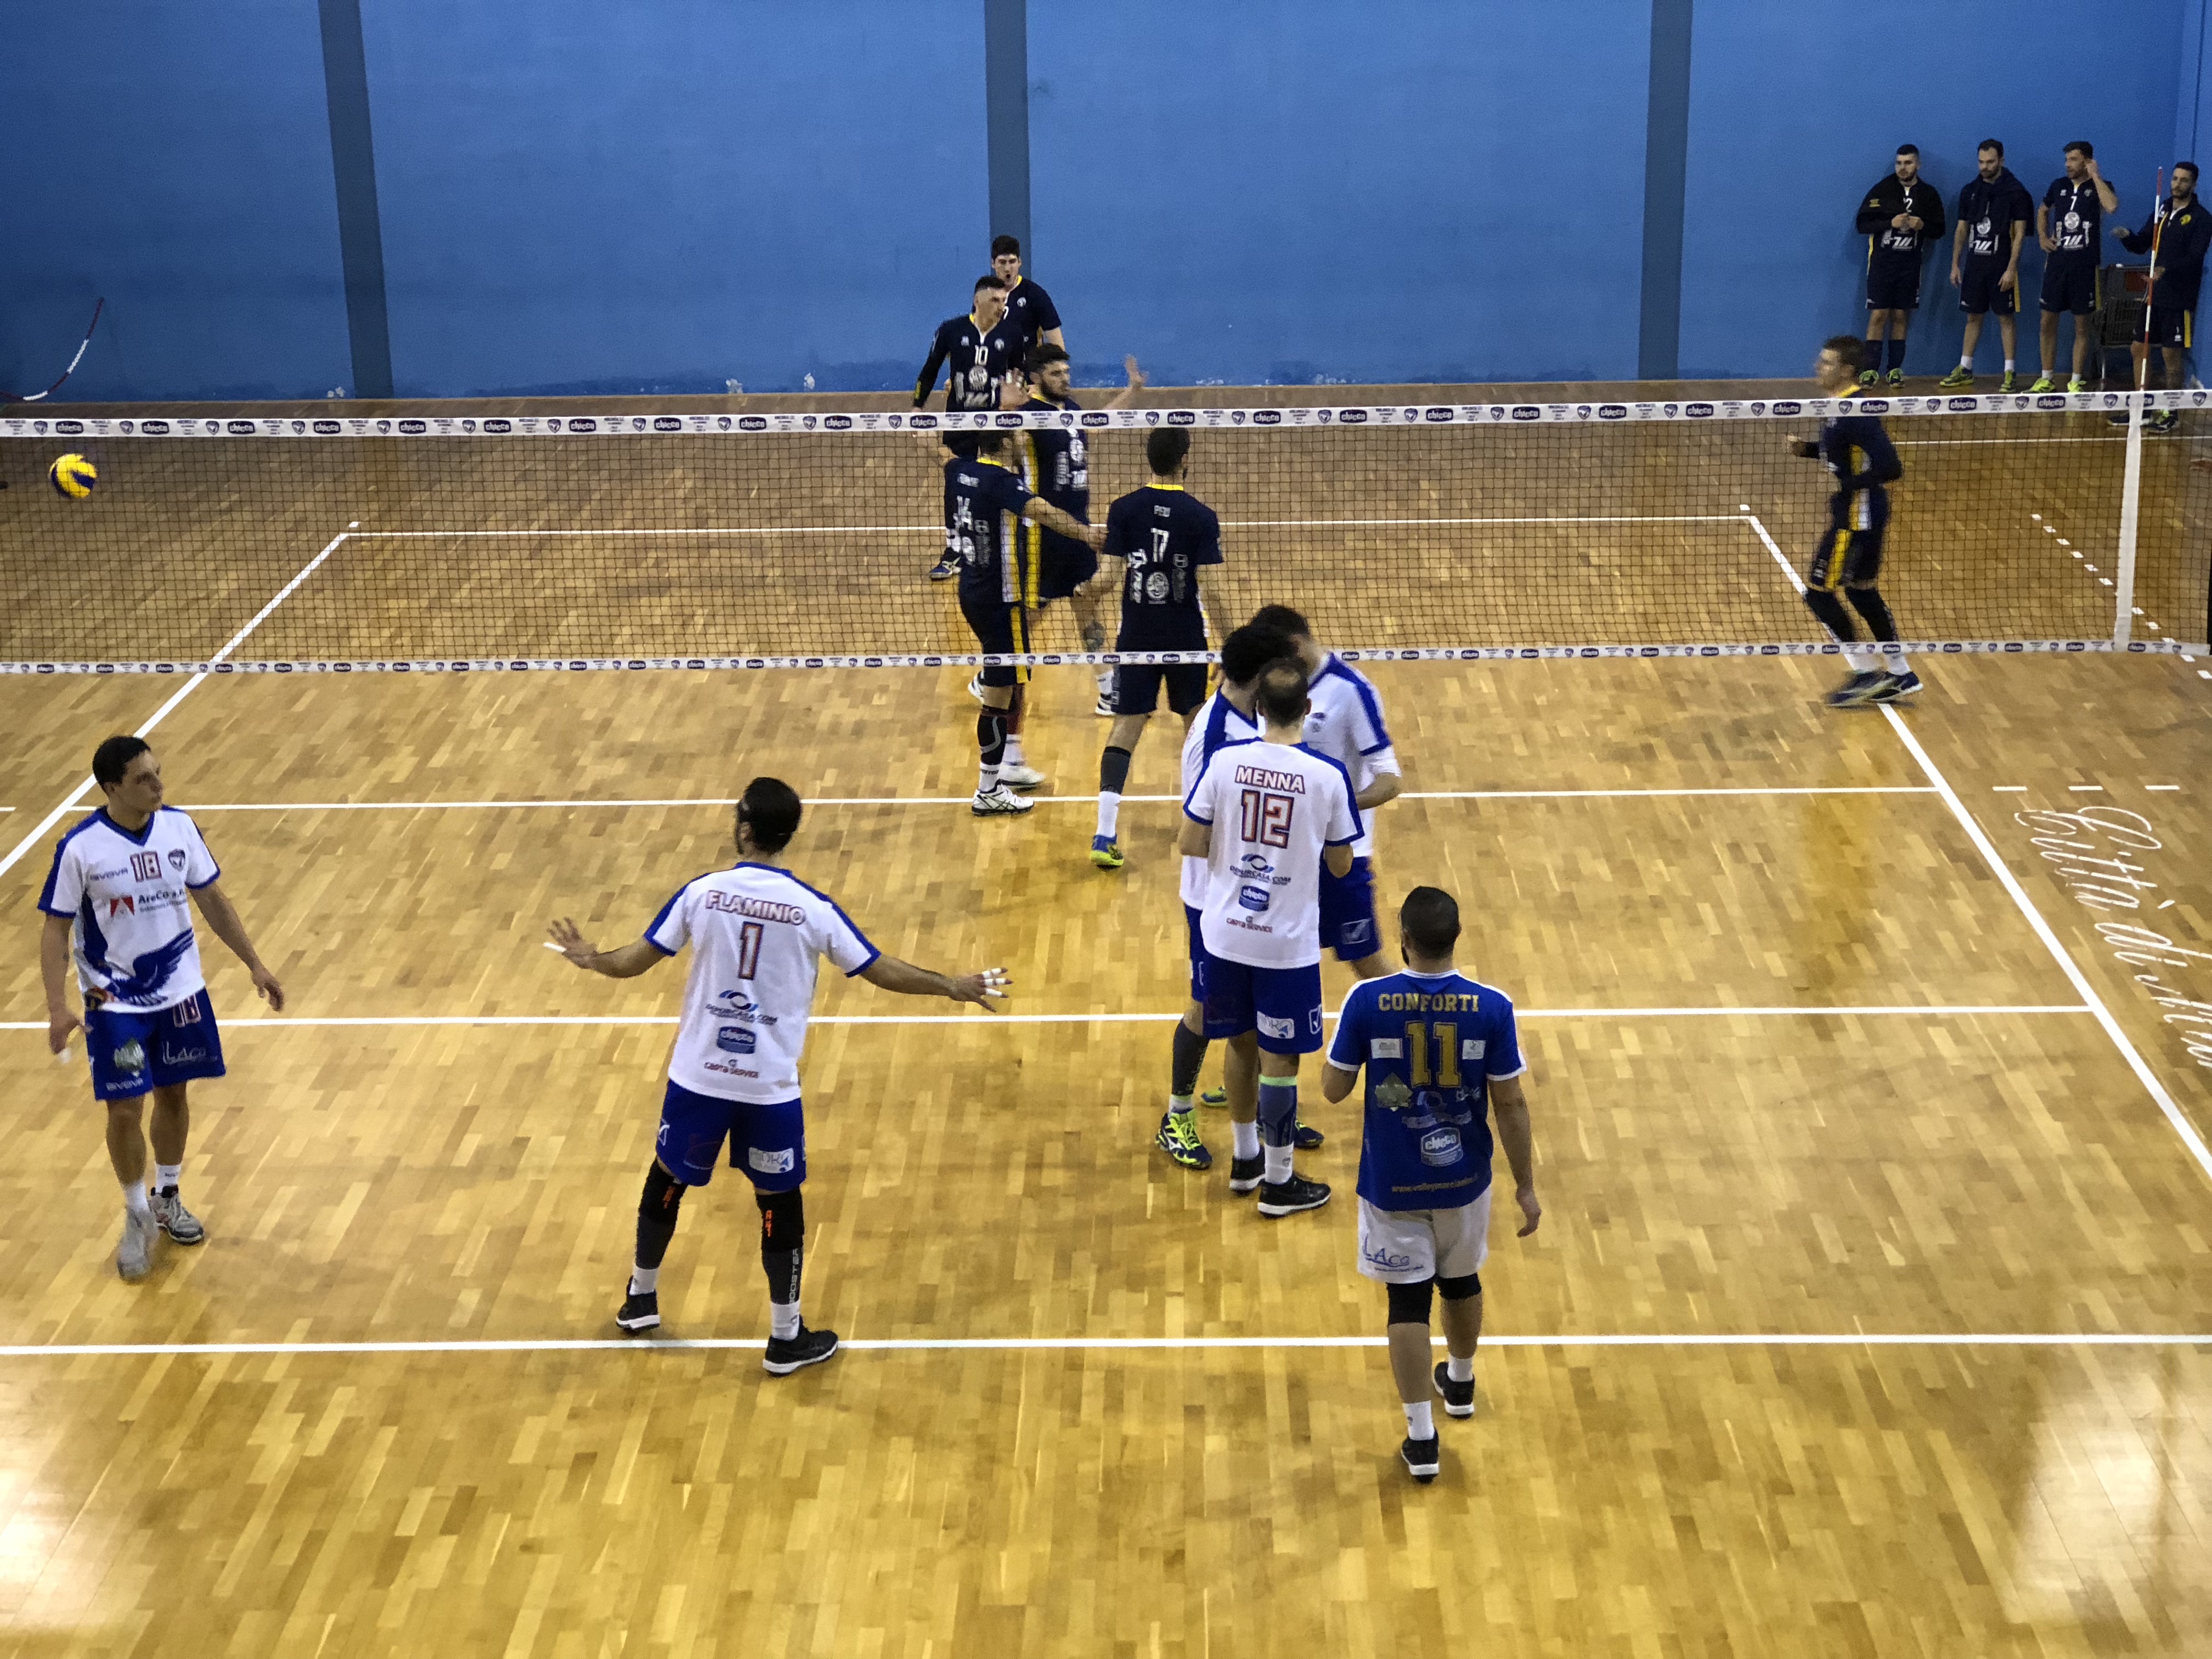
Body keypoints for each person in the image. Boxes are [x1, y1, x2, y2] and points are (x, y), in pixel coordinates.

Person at [548, 777, 1009, 1371]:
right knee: (779, 1200)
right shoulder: (813, 910)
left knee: (668, 1177)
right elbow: (878, 968)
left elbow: (634, 962)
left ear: (744, 829)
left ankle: (641, 1297)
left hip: (698, 1078)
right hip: (766, 1088)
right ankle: (786, 1336)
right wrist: (951, 986)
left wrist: (593, 960)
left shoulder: (702, 893)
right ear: (788, 835)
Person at [37, 735, 286, 1282]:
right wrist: (58, 1006)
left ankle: (167, 1196)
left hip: (182, 995)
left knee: (174, 1095)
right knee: (125, 1108)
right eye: (143, 779)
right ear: (111, 788)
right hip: (114, 1004)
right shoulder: (80, 848)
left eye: (158, 773)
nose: (158, 786)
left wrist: (255, 963)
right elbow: (55, 929)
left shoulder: (179, 828)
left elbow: (212, 899)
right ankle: (136, 1212)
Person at [1321, 886, 1540, 1484]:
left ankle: (1422, 1438)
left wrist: (1374, 1069)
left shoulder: (1367, 1000)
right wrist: (1525, 1185)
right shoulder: (1493, 1007)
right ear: (1456, 937)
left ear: (1404, 939)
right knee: (1462, 1280)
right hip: (1465, 1178)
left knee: (1408, 1302)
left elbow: (1334, 1091)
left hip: (1394, 1181)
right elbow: (1511, 1103)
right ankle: (1461, 1384)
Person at [1178, 660, 1360, 1216]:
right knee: (1280, 1060)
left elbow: (1190, 841)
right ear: (1307, 709)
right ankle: (1279, 1182)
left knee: (1239, 1045)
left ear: (1259, 708)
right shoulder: (1327, 776)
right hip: (1285, 943)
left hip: (1224, 933)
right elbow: (1342, 865)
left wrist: (1241, 861)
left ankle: (1245, 1161)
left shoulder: (1225, 761)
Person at [1151, 620, 1299, 1172]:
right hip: (1213, 897)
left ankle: (1253, 1104)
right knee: (1206, 1006)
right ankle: (1176, 1116)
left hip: (1249, 893)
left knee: (1252, 1011)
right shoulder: (1218, 739)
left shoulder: (1251, 719)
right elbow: (1198, 835)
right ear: (1261, 676)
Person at [944, 432, 1106, 811]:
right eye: (1015, 435)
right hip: (1002, 599)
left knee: (1012, 681)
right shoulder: (1002, 482)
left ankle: (1010, 762)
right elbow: (1044, 512)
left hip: (972, 591)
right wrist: (1087, 534)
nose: (1022, 440)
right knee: (999, 697)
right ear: (1004, 443)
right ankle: (989, 788)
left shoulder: (958, 470)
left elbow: (939, 453)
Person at [1090, 427, 1226, 872]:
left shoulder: (1124, 509)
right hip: (1185, 639)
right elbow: (1212, 591)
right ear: (1185, 459)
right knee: (1196, 728)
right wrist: (1228, 646)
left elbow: (1106, 580)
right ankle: (1203, 822)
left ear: (1150, 459)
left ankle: (1104, 833)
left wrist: (1080, 592)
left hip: (1137, 638)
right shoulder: (1201, 517)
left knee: (1126, 727)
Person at [1248, 605, 1402, 981]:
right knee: (1271, 960)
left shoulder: (1352, 691)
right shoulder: (1272, 687)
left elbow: (1390, 779)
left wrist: (1336, 807)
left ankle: (1411, 1017)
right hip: (1282, 854)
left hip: (1341, 857)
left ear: (1296, 645)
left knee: (1367, 963)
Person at [1011, 344, 1147, 716]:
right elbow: (1009, 445)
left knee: (1086, 605)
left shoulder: (1069, 409)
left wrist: (1132, 391)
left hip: (1079, 528)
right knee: (1032, 614)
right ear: (1036, 377)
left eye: (1066, 372)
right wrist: (1007, 411)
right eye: (1056, 374)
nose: (1065, 379)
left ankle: (1107, 691)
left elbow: (1095, 425)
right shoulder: (1028, 415)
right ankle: (995, 673)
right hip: (1043, 533)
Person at [1794, 337, 1916, 708]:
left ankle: (1865, 672)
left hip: (1856, 519)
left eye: (1827, 363)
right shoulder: (1840, 406)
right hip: (1863, 513)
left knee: (1819, 594)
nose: (1818, 367)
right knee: (1862, 591)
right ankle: (1901, 673)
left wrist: (1847, 485)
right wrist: (1809, 450)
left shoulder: (1855, 411)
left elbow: (1890, 467)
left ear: (1847, 370)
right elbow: (1847, 454)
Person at [917, 275, 1021, 579]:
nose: (1001, 306)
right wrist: (916, 408)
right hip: (959, 422)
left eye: (1004, 301)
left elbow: (1019, 374)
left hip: (996, 425)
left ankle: (998, 548)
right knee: (956, 483)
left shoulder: (1012, 333)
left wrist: (1016, 397)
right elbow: (930, 369)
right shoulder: (951, 330)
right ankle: (954, 551)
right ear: (978, 300)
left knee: (999, 482)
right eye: (995, 300)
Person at [2113, 162, 2211, 434]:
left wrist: (2166, 269)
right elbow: (2143, 243)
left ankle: (2171, 411)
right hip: (2154, 294)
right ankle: (2142, 407)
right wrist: (2127, 237)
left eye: (2184, 180)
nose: (2177, 184)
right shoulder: (2163, 209)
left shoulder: (2202, 218)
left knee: (2171, 354)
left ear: (2193, 185)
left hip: (2179, 297)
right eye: (2175, 179)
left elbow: (2195, 258)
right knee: (2139, 348)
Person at [1942, 139, 2035, 390]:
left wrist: (2012, 269)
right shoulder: (1970, 191)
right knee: (1973, 317)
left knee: (2005, 318)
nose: (1985, 167)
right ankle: (1965, 368)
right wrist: (1955, 264)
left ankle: (2009, 373)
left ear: (2001, 161)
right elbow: (1962, 229)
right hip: (1975, 266)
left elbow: (2020, 234)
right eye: (1981, 162)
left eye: (1990, 162)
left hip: (2001, 267)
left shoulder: (2017, 193)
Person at [1854, 145, 1945, 386]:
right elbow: (1862, 225)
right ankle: (1870, 370)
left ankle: (1894, 370)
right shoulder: (1882, 190)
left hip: (1910, 266)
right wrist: (1890, 223)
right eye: (1899, 163)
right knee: (1878, 315)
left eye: (1908, 163)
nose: (1903, 168)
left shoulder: (1928, 194)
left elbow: (1940, 230)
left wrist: (1922, 226)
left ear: (1918, 165)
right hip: (1882, 265)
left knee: (1900, 315)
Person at [2032, 142, 2119, 393]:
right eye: (2067, 160)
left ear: (2088, 161)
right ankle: (2046, 379)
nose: (2068, 165)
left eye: (2073, 160)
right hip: (2057, 266)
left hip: (2085, 267)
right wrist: (2042, 237)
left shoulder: (2100, 186)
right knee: (2047, 322)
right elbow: (2043, 211)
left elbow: (2112, 207)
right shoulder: (2058, 186)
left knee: (2082, 326)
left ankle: (2076, 380)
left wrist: (2096, 176)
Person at [989, 235, 1065, 361]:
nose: (1007, 269)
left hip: (1027, 368)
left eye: (1012, 262)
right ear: (993, 264)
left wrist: (1057, 369)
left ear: (1020, 262)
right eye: (1002, 262)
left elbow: (1057, 343)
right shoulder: (985, 295)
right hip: (994, 367)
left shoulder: (1035, 294)